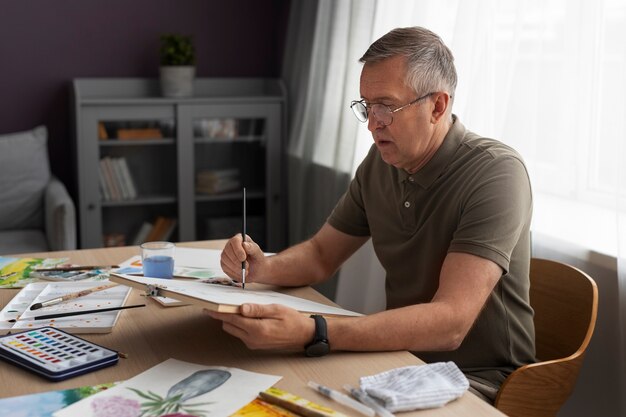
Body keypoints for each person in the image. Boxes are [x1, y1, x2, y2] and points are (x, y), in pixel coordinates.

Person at [207, 26, 535, 403]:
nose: (373, 122)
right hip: (401, 361)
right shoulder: (382, 163)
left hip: (479, 380)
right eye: (366, 105)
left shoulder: (497, 172)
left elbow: (451, 322)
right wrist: (264, 267)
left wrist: (314, 331)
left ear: (438, 106)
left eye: (387, 106)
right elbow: (320, 255)